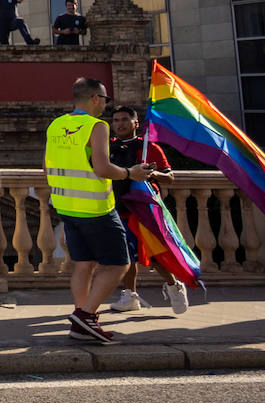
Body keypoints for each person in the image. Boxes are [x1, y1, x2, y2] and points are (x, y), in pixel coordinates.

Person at [44, 77, 155, 343]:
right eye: (105, 100)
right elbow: (103, 168)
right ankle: (86, 316)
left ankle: (81, 317)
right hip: (95, 208)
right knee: (119, 264)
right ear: (95, 98)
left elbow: (47, 167)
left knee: (83, 264)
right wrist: (132, 173)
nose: (106, 105)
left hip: (66, 206)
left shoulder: (56, 125)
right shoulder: (97, 126)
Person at [105, 105, 188, 315]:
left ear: (136, 123)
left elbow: (170, 177)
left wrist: (151, 173)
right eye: (115, 120)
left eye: (124, 119)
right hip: (119, 206)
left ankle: (174, 286)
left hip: (145, 209)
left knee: (155, 252)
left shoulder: (148, 147)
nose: (119, 124)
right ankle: (129, 296)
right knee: (126, 255)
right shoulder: (108, 147)